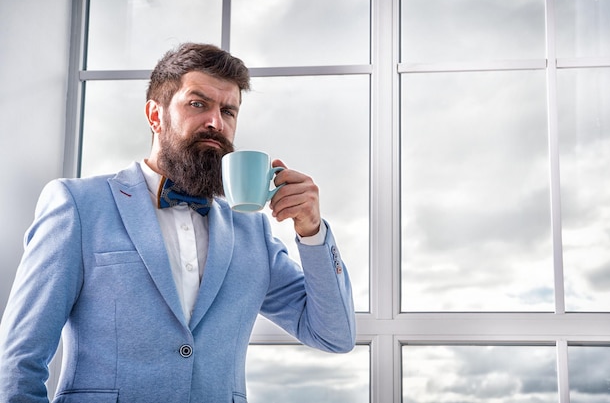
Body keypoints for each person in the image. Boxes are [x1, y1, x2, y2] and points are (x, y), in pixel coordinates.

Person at [0, 43, 356, 403]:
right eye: (198, 104)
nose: (216, 122)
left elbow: (334, 334)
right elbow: (19, 359)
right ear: (155, 115)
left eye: (228, 111)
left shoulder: (253, 232)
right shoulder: (78, 206)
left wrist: (312, 232)